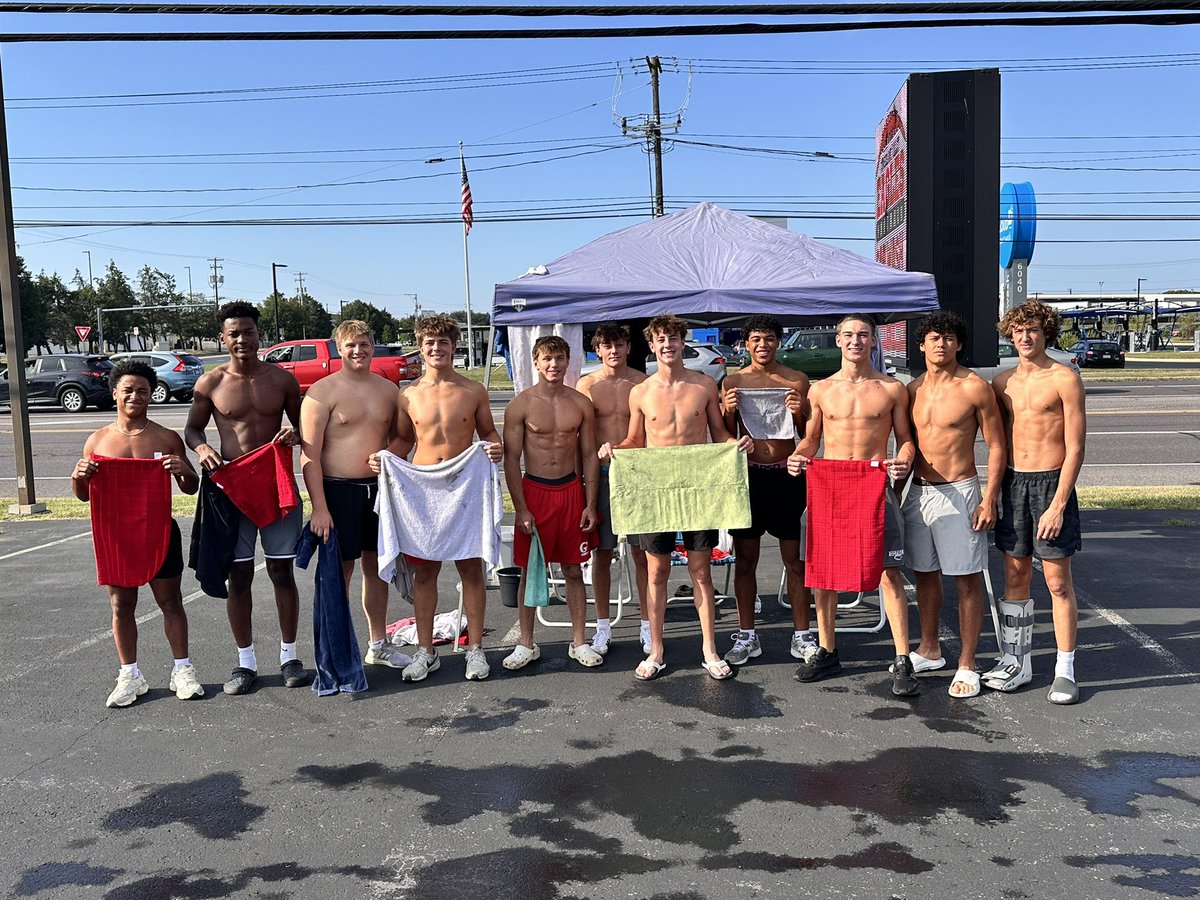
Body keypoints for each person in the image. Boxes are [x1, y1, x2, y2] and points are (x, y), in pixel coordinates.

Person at [602, 314, 753, 681]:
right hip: (656, 491)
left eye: (673, 338)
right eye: (660, 340)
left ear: (683, 342)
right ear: (651, 346)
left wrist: (738, 444)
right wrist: (613, 448)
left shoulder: (703, 385)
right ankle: (656, 649)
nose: (667, 344)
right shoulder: (640, 392)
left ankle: (710, 649)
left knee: (701, 572)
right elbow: (635, 441)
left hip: (698, 488)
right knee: (657, 572)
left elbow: (718, 434)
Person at [787, 314, 919, 695]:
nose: (855, 341)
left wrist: (904, 460)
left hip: (875, 489)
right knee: (822, 571)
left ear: (874, 341)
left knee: (889, 572)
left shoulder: (892, 388)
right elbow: (811, 440)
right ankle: (827, 650)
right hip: (830, 490)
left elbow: (906, 439)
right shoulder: (821, 390)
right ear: (839, 341)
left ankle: (901, 659)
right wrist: (798, 455)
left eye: (863, 335)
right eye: (848, 335)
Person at [185, 301, 312, 695]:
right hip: (230, 489)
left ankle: (289, 656)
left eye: (248, 332)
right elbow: (192, 429)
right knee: (237, 576)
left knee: (280, 572)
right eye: (234, 333)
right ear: (223, 339)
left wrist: (294, 435)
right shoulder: (211, 383)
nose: (242, 339)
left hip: (274, 487)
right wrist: (202, 449)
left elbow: (305, 425)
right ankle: (245, 663)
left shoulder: (282, 380)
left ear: (260, 335)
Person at [72, 360, 203, 708]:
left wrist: (181, 470)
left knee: (170, 601)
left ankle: (182, 669)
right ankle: (129, 674)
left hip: (159, 530)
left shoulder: (166, 437)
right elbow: (83, 495)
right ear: (115, 392)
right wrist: (79, 475)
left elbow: (191, 488)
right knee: (121, 605)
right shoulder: (97, 440)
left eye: (142, 391)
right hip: (115, 535)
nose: (135, 396)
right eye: (128, 389)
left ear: (151, 395)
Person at [390, 313, 503, 682]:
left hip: (464, 487)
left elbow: (488, 433)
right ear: (420, 348)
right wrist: (384, 457)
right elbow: (404, 441)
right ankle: (426, 651)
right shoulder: (407, 394)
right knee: (425, 572)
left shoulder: (473, 391)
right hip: (422, 489)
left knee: (471, 570)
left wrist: (495, 447)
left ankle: (475, 650)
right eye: (429, 343)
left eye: (443, 343)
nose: (436, 349)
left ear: (454, 347)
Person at [903, 311, 1006, 699]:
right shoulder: (911, 389)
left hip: (960, 491)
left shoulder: (975, 387)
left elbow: (997, 445)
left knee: (966, 579)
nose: (940, 344)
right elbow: (907, 443)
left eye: (948, 338)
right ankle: (930, 649)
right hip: (919, 492)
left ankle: (967, 662)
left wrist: (989, 498)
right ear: (921, 345)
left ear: (958, 344)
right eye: (933, 337)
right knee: (924, 573)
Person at [989, 299, 1086, 704]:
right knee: (1015, 579)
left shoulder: (1065, 378)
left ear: (1045, 332)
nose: (1024, 337)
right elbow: (993, 442)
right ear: (1010, 336)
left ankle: (1065, 668)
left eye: (1031, 329)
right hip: (1014, 485)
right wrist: (990, 493)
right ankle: (1016, 661)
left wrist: (1058, 503)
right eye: (1017, 331)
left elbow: (1076, 447)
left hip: (1051, 485)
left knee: (1057, 582)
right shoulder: (1002, 383)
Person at [301, 320, 411, 675]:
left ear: (373, 344)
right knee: (338, 574)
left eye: (364, 343)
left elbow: (403, 439)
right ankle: (336, 650)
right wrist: (319, 507)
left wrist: (389, 453)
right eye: (350, 345)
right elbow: (309, 456)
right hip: (337, 492)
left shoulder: (388, 391)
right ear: (338, 348)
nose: (358, 351)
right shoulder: (321, 392)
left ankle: (378, 644)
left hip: (378, 492)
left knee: (377, 570)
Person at [719, 315, 815, 667]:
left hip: (788, 474)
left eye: (770, 338)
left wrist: (801, 410)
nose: (763, 345)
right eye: (756, 339)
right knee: (745, 561)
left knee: (796, 561)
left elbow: (807, 434)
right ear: (746, 344)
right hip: (749, 478)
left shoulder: (796, 379)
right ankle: (747, 635)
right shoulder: (734, 381)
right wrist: (727, 412)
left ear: (779, 341)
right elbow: (726, 433)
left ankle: (802, 635)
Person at [502, 336, 601, 669]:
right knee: (531, 571)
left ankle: (579, 641)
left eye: (559, 358)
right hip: (535, 492)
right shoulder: (521, 404)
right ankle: (526, 644)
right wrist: (521, 508)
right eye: (547, 359)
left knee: (574, 569)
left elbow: (589, 455)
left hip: (571, 492)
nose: (554, 365)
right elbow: (511, 460)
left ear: (568, 361)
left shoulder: (580, 403)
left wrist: (590, 504)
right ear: (535, 362)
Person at [576, 324, 650, 655]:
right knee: (601, 553)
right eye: (607, 345)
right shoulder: (587, 385)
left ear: (628, 347)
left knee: (642, 552)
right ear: (598, 350)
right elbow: (578, 436)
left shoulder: (643, 382)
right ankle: (603, 626)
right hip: (601, 474)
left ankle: (649, 624)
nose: (614, 351)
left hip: (637, 474)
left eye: (619, 344)